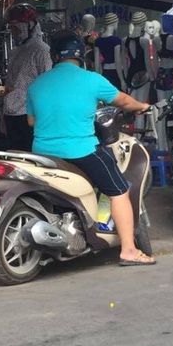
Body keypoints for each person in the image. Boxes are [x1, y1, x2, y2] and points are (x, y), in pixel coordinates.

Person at [26, 30, 156, 266]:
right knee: (119, 191)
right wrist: (142, 105)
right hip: (81, 150)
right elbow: (124, 101)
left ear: (55, 56)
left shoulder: (37, 84)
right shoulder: (92, 79)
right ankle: (128, 250)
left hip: (43, 152)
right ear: (81, 55)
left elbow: (31, 122)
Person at [3, 3, 52, 151]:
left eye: (15, 27)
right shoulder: (14, 52)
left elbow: (47, 83)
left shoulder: (41, 51)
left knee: (30, 155)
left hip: (28, 114)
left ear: (28, 25)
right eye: (11, 28)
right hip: (10, 111)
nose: (13, 32)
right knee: (14, 154)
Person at [94, 12, 125, 90]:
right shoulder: (116, 40)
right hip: (115, 72)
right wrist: (122, 80)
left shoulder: (98, 41)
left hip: (105, 72)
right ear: (114, 23)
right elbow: (117, 62)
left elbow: (97, 63)